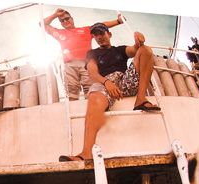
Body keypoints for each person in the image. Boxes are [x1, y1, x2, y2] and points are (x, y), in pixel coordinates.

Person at [59, 22, 161, 161]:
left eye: (101, 33)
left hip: (125, 81)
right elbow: (92, 73)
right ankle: (86, 153)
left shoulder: (120, 50)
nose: (99, 37)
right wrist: (107, 83)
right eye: (95, 35)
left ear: (109, 34)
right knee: (94, 97)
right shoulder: (92, 53)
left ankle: (141, 99)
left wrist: (139, 42)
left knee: (146, 50)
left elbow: (135, 50)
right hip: (104, 82)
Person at [43, 9, 124, 100]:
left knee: (90, 88)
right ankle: (73, 109)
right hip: (69, 65)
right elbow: (42, 24)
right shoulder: (59, 33)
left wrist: (118, 21)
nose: (65, 21)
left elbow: (101, 25)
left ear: (72, 18)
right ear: (61, 23)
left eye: (67, 18)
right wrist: (55, 15)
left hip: (87, 64)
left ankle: (91, 108)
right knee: (71, 90)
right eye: (62, 20)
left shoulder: (85, 30)